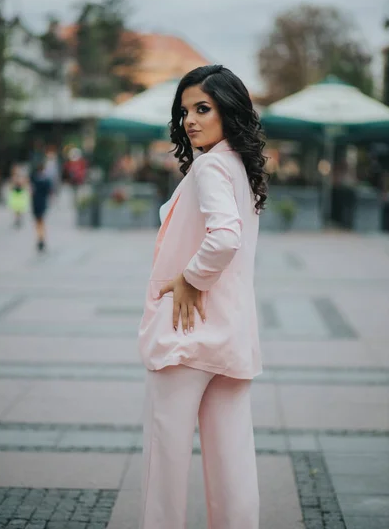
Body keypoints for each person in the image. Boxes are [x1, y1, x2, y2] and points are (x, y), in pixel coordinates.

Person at [138, 65, 268, 528]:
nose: (190, 120)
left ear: (228, 112)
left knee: (164, 467)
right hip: (230, 336)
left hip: (185, 335)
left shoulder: (212, 165)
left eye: (203, 108)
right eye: (185, 110)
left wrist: (190, 278)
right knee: (233, 464)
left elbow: (224, 239)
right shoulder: (240, 168)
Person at [30, 162, 52, 251]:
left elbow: (31, 189)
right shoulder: (46, 180)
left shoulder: (34, 178)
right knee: (41, 221)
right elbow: (49, 192)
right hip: (42, 202)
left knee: (38, 221)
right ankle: (41, 237)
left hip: (36, 202)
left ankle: (40, 237)